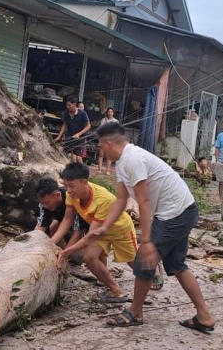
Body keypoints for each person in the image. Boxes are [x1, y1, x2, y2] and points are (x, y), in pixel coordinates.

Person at [91, 123, 215, 333]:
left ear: (108, 144)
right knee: (176, 264)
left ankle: (135, 312)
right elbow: (121, 199)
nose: (100, 151)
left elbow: (144, 201)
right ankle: (204, 316)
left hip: (176, 213)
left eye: (101, 147)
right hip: (181, 210)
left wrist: (147, 241)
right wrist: (104, 226)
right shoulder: (122, 163)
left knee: (143, 262)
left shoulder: (133, 159)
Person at [51, 163, 138, 303]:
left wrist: (66, 252)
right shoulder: (70, 194)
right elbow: (67, 219)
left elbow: (89, 237)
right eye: (65, 185)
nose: (68, 190)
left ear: (84, 182)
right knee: (90, 257)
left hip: (119, 230)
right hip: (99, 231)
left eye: (71, 185)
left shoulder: (103, 199)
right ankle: (116, 291)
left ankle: (154, 272)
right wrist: (51, 243)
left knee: (134, 263)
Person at [33, 177, 89, 249]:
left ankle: (70, 255)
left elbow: (78, 231)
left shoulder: (73, 198)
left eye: (46, 203)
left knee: (88, 255)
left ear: (57, 195)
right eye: (42, 203)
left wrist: (66, 252)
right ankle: (60, 251)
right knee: (53, 226)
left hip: (86, 221)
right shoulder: (44, 204)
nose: (44, 206)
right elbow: (40, 227)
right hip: (65, 219)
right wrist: (32, 244)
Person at [54, 97, 91, 163]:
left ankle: (82, 171)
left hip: (79, 138)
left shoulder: (82, 113)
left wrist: (79, 134)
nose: (68, 107)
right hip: (69, 136)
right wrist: (59, 136)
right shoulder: (66, 113)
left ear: (74, 104)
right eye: (67, 105)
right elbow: (64, 124)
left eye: (69, 105)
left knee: (78, 158)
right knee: (63, 151)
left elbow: (88, 126)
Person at [97, 108, 120, 175]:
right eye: (109, 112)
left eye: (111, 112)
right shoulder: (103, 120)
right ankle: (99, 169)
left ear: (113, 113)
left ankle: (107, 170)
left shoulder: (116, 121)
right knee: (101, 155)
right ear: (107, 113)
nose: (110, 113)